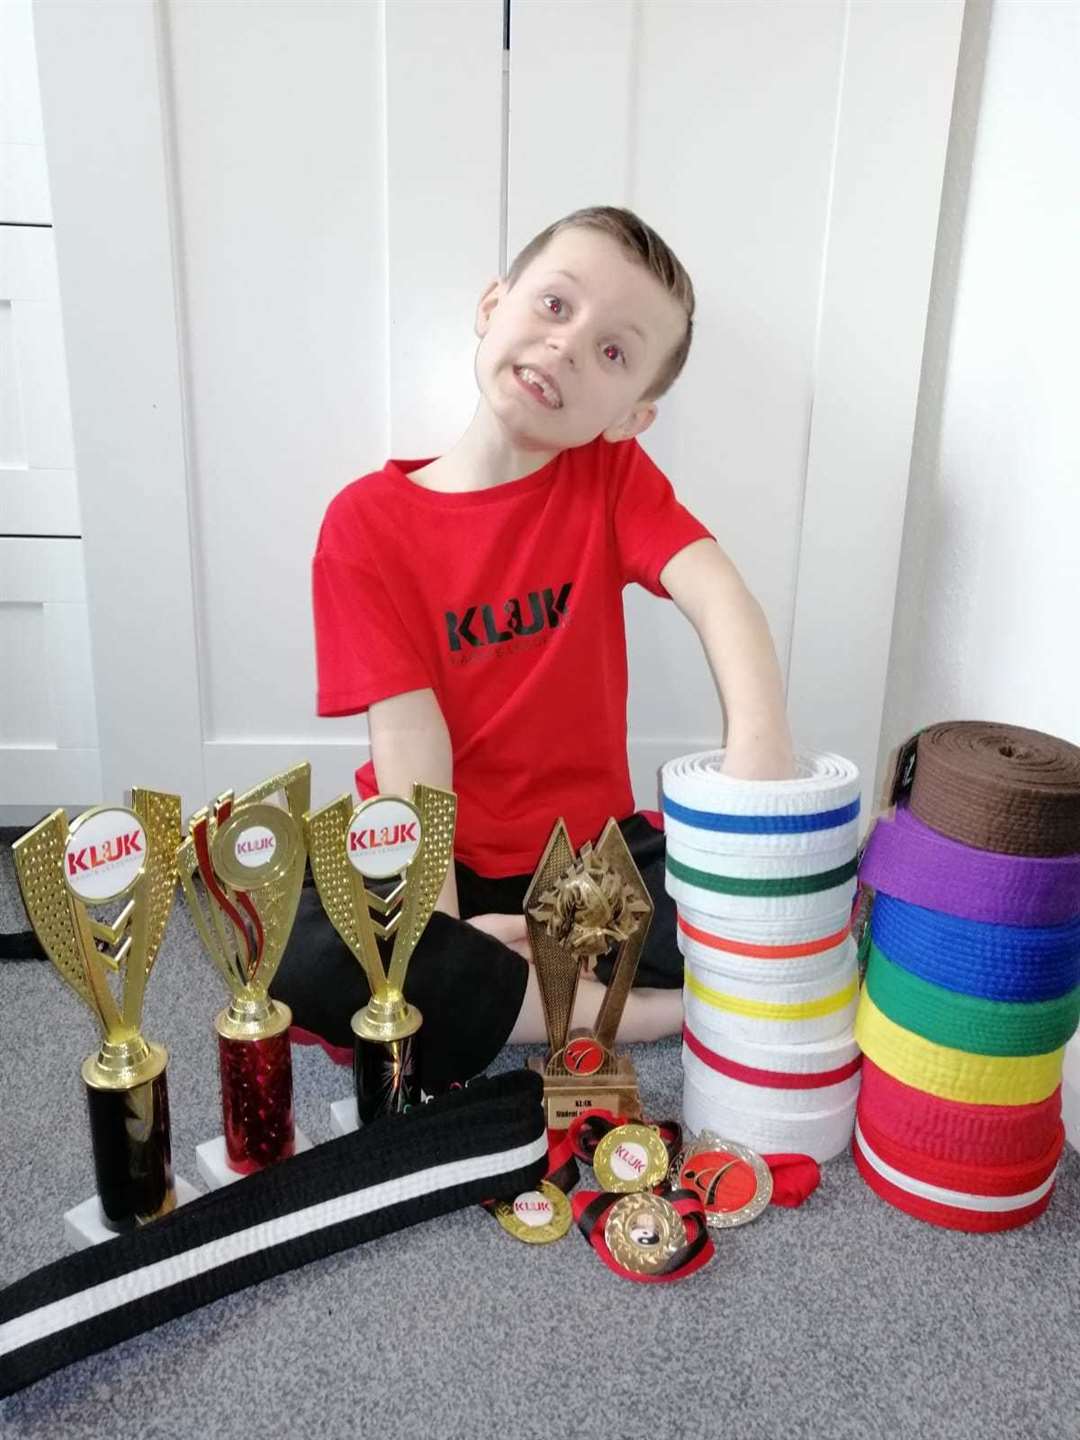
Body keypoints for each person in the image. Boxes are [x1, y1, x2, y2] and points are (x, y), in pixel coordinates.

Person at [275, 205, 795, 1090]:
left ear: (632, 417)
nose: (566, 347)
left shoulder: (609, 477)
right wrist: (441, 927)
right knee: (298, 952)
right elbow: (409, 746)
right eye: (556, 308)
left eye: (612, 352)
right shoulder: (365, 523)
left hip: (586, 865)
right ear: (493, 305)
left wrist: (760, 773)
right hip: (435, 856)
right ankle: (646, 1012)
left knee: (746, 921)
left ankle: (510, 995)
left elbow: (719, 594)